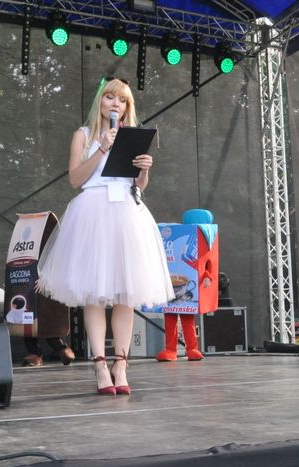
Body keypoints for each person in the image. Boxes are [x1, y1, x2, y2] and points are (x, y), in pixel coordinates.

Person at [38, 76, 174, 395]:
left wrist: (144, 169)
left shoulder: (132, 136)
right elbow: (75, 179)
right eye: (111, 97)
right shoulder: (83, 135)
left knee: (126, 295)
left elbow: (138, 186)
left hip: (126, 211)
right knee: (94, 295)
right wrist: (101, 148)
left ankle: (121, 365)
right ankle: (100, 365)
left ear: (128, 107)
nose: (116, 104)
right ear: (100, 100)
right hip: (92, 212)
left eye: (122, 100)